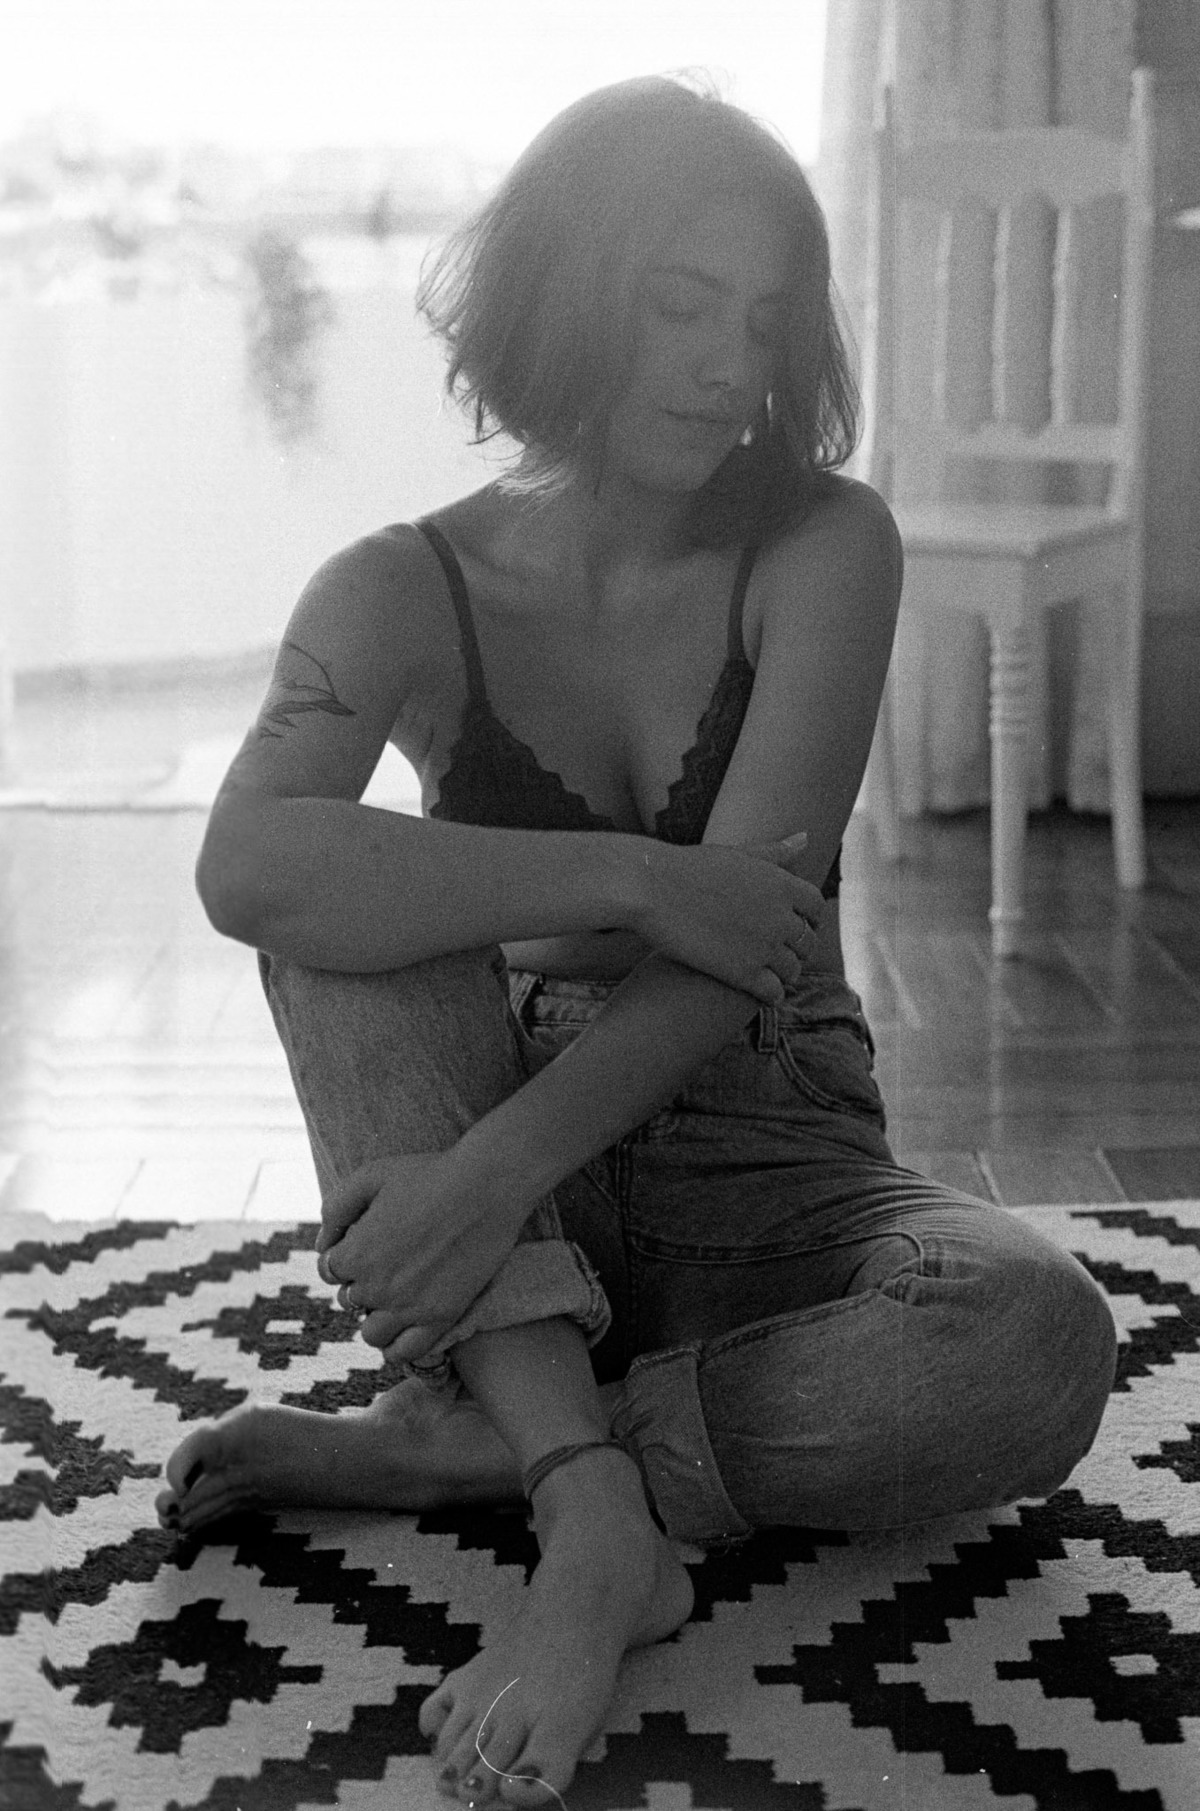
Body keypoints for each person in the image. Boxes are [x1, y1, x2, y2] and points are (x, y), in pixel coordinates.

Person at [156, 74, 1117, 1810]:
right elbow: (248, 868)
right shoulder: (398, 588)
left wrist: (480, 1182)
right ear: (565, 290)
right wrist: (637, 877)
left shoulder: (826, 543)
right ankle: (596, 1511)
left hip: (769, 1151)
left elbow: (743, 952)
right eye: (682, 304)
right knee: (338, 921)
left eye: (762, 320)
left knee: (1039, 1341)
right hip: (525, 1228)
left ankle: (502, 1451)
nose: (730, 366)